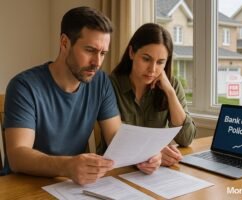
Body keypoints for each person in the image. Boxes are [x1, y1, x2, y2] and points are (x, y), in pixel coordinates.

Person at [3, 7, 161, 185]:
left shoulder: (100, 82)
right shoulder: (24, 86)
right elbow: (17, 155)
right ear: (64, 43)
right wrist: (67, 166)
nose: (97, 62)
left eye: (103, 53)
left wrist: (145, 154)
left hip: (71, 186)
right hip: (23, 186)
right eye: (90, 50)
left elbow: (116, 138)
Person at [108, 23, 196, 167]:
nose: (152, 69)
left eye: (161, 62)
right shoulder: (110, 86)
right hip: (116, 171)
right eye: (146, 59)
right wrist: (154, 152)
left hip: (155, 174)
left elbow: (186, 139)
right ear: (131, 53)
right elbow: (112, 142)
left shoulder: (171, 85)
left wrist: (170, 93)